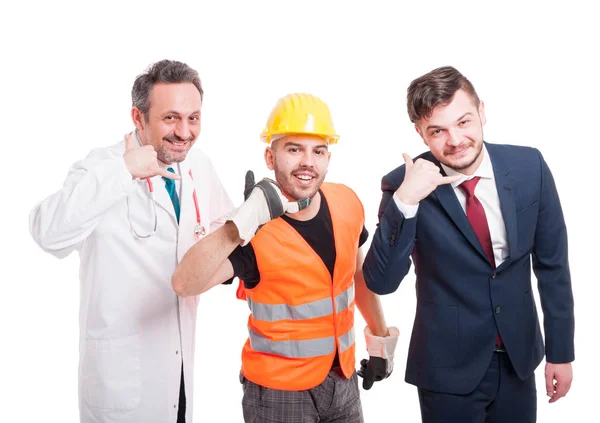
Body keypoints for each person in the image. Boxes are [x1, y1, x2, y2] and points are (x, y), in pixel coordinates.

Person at [362, 66, 574, 422]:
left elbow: (553, 266)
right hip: (447, 368)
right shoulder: (403, 184)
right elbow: (381, 282)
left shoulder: (529, 166)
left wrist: (561, 352)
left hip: (519, 359)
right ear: (420, 134)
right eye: (438, 131)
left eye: (463, 122)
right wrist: (406, 202)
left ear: (482, 112)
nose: (455, 140)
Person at [172, 93, 399, 423]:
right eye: (294, 149)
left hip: (343, 380)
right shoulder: (252, 231)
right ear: (270, 155)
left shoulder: (345, 201)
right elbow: (184, 283)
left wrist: (380, 342)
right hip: (279, 394)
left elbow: (357, 275)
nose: (308, 162)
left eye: (318, 151)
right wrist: (243, 221)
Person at [29, 59, 233, 423]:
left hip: (180, 376)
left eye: (194, 118)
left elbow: (223, 235)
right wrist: (125, 171)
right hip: (121, 388)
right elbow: (48, 233)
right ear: (138, 118)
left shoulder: (198, 165)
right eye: (170, 118)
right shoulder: (102, 167)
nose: (184, 132)